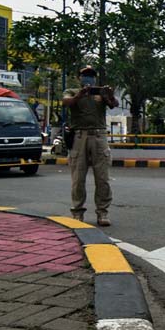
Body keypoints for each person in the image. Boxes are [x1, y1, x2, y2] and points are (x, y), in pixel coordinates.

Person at [62, 65, 119, 226]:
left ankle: (102, 212)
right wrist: (80, 95)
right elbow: (67, 102)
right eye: (85, 75)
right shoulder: (72, 91)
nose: (88, 78)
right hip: (79, 136)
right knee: (78, 179)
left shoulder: (100, 92)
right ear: (79, 77)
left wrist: (109, 95)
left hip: (99, 135)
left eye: (91, 75)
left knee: (103, 178)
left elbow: (113, 104)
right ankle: (77, 213)